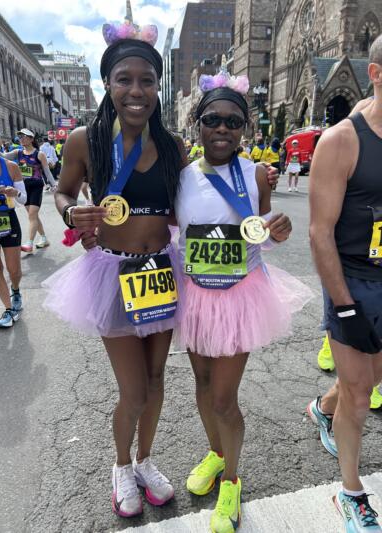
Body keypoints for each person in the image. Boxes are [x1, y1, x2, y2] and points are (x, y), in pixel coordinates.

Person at [42, 19, 188, 519]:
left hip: (161, 275)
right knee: (134, 389)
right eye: (124, 78)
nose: (136, 90)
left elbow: (187, 210)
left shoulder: (172, 147)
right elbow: (62, 190)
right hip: (112, 276)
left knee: (157, 379)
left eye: (146, 80)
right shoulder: (87, 139)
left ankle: (146, 461)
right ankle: (121, 465)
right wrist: (69, 212)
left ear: (157, 88)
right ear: (108, 83)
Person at [174, 71, 312, 533]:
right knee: (201, 383)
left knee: (224, 398)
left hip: (240, 295)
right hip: (196, 295)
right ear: (198, 123)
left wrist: (278, 231)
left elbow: (262, 233)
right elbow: (176, 234)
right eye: (212, 118)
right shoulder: (181, 177)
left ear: (244, 129)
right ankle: (215, 454)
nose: (222, 129)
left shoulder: (255, 173)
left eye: (233, 122)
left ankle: (232, 480)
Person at [307, 35, 382, 532]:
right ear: (376, 74)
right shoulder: (341, 140)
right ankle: (351, 493)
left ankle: (320, 407)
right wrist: (345, 307)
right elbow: (319, 231)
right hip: (355, 282)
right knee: (360, 396)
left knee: (366, 382)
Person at [0, 126, 27, 327]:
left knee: (14, 269)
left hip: (8, 219)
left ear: (0, 145)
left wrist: (13, 193)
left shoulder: (11, 167)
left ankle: (15, 290)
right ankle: (8, 309)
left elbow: (24, 199)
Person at [4, 128, 55, 253]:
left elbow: (47, 172)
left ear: (31, 139)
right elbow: (2, 156)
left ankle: (29, 243)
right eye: (20, 137)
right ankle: (43, 238)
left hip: (36, 186)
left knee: (32, 215)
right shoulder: (18, 152)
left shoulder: (39, 154)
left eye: (24, 136)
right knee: (33, 216)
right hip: (24, 188)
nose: (21, 139)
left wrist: (54, 186)